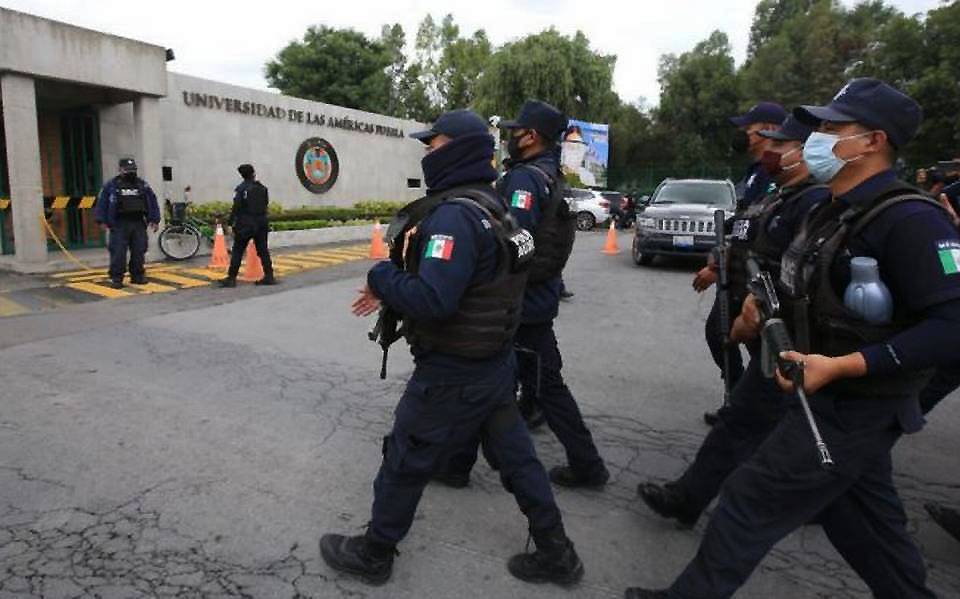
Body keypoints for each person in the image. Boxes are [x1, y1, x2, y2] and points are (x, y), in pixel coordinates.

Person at [627, 78, 957, 599]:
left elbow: (952, 327)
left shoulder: (912, 219)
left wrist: (844, 366)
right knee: (861, 523)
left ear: (873, 141)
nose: (817, 139)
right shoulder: (833, 208)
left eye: (832, 129)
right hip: (825, 392)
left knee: (747, 499)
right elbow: (798, 277)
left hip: (856, 402)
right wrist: (760, 306)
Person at [319, 109, 583, 587]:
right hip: (494, 362)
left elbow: (434, 300)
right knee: (519, 461)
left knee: (405, 458)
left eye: (433, 144)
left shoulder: (456, 217)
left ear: (457, 149)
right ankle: (556, 551)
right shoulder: (493, 205)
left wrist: (381, 275)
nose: (426, 152)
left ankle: (375, 552)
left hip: (453, 370)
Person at [638, 114, 830, 528]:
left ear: (805, 150)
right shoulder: (778, 193)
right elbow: (746, 242)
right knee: (746, 418)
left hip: (786, 331)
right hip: (762, 318)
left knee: (764, 421)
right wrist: (722, 271)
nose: (768, 150)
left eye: (779, 145)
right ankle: (691, 498)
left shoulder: (814, 201)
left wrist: (757, 313)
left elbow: (798, 274)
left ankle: (794, 501)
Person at [438, 100, 609, 489]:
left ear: (531, 136)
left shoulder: (525, 180)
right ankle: (458, 462)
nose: (511, 136)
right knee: (504, 381)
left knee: (531, 383)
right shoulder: (548, 174)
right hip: (535, 298)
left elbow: (516, 240)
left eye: (516, 130)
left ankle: (585, 464)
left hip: (521, 305)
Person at [697, 102, 789, 425]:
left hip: (755, 276)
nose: (742, 135)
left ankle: (753, 409)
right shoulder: (755, 172)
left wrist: (717, 266)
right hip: (738, 273)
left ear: (770, 130)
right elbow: (743, 222)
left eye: (747, 128)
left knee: (754, 345)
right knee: (726, 336)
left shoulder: (773, 172)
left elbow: (757, 227)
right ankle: (743, 403)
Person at [94, 158, 161, 289]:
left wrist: (154, 219)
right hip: (119, 223)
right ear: (120, 170)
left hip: (138, 223)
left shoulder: (142, 185)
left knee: (139, 251)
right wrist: (101, 220)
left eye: (133, 170)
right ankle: (117, 278)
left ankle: (137, 276)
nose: (131, 172)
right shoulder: (112, 185)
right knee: (118, 252)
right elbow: (102, 203)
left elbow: (152, 201)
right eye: (127, 170)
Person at [219, 164, 275, 287]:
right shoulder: (262, 188)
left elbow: (236, 207)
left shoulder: (241, 189)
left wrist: (230, 222)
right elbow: (265, 204)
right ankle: (269, 275)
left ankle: (231, 278)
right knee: (263, 250)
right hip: (261, 222)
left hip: (246, 223)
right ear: (253, 173)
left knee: (238, 250)